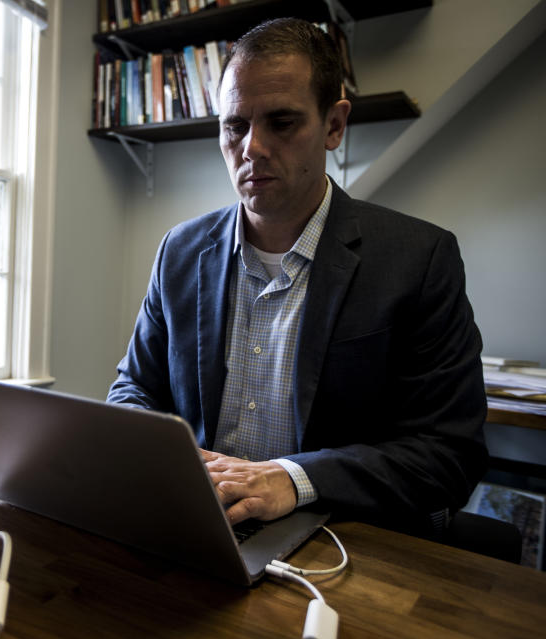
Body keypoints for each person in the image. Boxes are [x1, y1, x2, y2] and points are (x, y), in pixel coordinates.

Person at [107, 18, 487, 537]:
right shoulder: (180, 250)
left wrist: (294, 478)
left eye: (281, 123)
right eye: (234, 126)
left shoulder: (419, 259)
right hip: (202, 524)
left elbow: (449, 455)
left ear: (334, 125)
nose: (252, 148)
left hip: (339, 539)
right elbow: (133, 391)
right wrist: (167, 456)